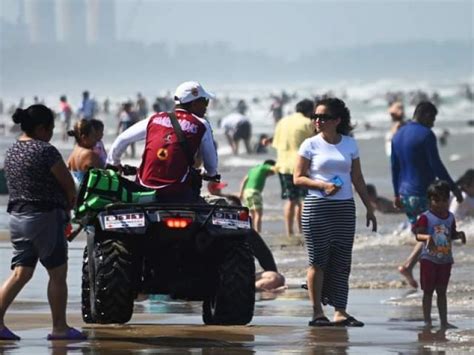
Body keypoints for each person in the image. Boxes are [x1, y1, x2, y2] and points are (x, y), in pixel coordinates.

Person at [1, 105, 86, 340]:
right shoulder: (45, 151)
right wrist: (70, 208)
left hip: (18, 218)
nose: (51, 134)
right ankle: (59, 327)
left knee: (21, 273)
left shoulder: (12, 151)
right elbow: (69, 185)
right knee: (57, 274)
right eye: (50, 129)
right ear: (40, 128)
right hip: (44, 219)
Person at [294, 97, 377, 327]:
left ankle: (340, 311)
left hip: (344, 208)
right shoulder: (309, 144)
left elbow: (357, 178)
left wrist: (369, 208)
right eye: (315, 117)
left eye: (323, 117)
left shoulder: (350, 144)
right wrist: (322, 186)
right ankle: (317, 312)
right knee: (317, 260)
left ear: (337, 120)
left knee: (342, 261)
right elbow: (297, 177)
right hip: (317, 207)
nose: (317, 120)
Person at [107, 81, 218, 203]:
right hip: (177, 193)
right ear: (194, 103)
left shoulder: (154, 118)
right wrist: (209, 174)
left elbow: (122, 139)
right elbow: (211, 167)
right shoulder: (201, 124)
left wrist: (114, 163)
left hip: (144, 189)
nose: (206, 107)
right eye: (205, 101)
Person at [391, 101, 463, 289]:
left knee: (427, 234)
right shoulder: (426, 134)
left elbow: (395, 167)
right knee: (438, 231)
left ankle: (416, 272)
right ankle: (421, 273)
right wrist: (454, 188)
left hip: (406, 195)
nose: (433, 123)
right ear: (424, 115)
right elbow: (436, 165)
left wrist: (396, 194)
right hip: (423, 192)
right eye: (432, 118)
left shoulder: (397, 135)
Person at [413, 181, 466, 329]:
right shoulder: (426, 217)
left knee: (442, 291)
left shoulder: (450, 217)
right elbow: (418, 235)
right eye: (437, 200)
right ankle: (427, 321)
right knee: (428, 291)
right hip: (429, 259)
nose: (441, 204)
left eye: (444, 200)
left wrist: (459, 235)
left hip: (445, 260)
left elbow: (451, 233)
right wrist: (427, 237)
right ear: (430, 200)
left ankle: (444, 322)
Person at [272, 99, 315, 237]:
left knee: (291, 200)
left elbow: (276, 144)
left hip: (283, 166)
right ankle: (303, 232)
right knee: (304, 200)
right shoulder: (308, 123)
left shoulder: (282, 122)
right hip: (302, 167)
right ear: (310, 111)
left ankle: (289, 233)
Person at [239, 160, 276, 233]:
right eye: (271, 173)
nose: (270, 175)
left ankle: (251, 231)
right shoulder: (264, 167)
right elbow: (275, 168)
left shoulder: (253, 169)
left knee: (252, 213)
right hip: (254, 192)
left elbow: (244, 181)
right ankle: (258, 232)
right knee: (258, 213)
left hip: (247, 192)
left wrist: (241, 193)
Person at [66, 119, 102, 186]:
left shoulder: (75, 151)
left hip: (76, 191)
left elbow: (68, 168)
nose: (96, 139)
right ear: (84, 138)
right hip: (88, 194)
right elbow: (102, 177)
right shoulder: (89, 154)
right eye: (93, 136)